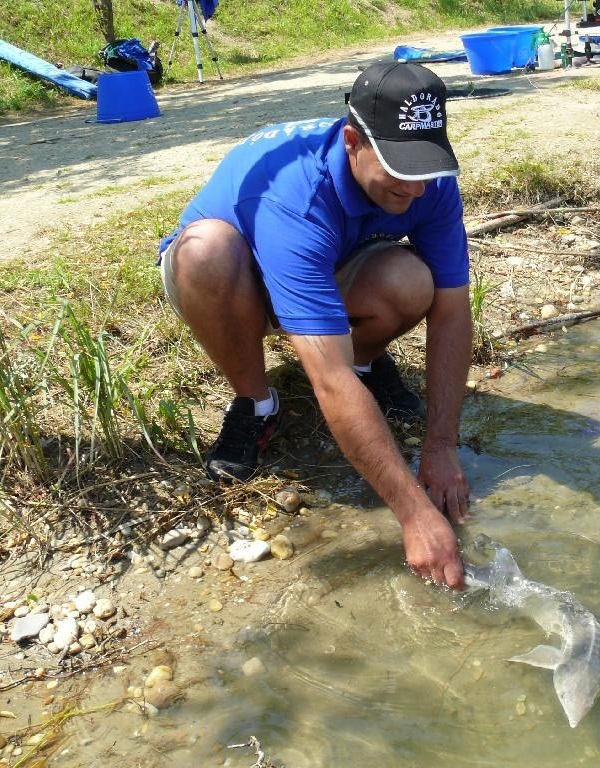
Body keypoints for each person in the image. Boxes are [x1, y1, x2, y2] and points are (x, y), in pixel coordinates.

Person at [157, 62, 471, 589]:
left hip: (330, 266)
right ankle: (256, 403)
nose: (415, 189)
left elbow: (453, 310)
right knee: (206, 250)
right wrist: (415, 516)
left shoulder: (427, 184)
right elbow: (328, 376)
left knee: (415, 282)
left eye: (424, 169)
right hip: (237, 282)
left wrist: (440, 445)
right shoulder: (294, 196)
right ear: (352, 141)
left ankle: (368, 361)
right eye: (400, 169)